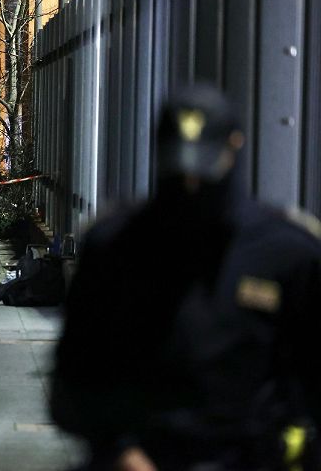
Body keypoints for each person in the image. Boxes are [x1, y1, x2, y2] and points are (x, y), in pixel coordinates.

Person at [50, 85, 321, 471]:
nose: (191, 185)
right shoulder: (114, 247)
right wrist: (122, 451)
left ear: (235, 148)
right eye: (180, 170)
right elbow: (73, 383)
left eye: (204, 170)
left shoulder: (287, 254)